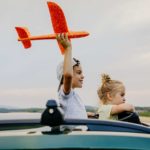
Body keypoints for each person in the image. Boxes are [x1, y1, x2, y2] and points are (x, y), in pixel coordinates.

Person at [56, 33, 88, 119]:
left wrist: (86, 114)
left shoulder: (73, 95)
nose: (82, 76)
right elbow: (68, 75)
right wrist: (68, 48)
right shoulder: (66, 93)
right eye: (78, 72)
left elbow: (73, 112)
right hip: (74, 133)